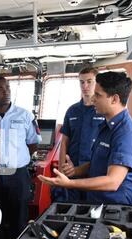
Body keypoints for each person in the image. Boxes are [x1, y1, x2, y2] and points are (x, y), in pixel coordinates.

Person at [39, 71, 132, 206]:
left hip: (116, 205)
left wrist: (69, 183)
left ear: (114, 99)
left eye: (98, 95)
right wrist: (75, 171)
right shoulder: (106, 126)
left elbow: (113, 181)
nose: (93, 99)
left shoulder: (126, 133)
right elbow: (97, 163)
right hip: (97, 201)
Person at [0, 76, 41, 239]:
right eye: (1, 88)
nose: (6, 91)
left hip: (17, 176)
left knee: (19, 220)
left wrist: (17, 157)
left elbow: (33, 143)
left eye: (8, 87)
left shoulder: (24, 115)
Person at [57, 67, 105, 202]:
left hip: (94, 172)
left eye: (89, 81)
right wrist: (61, 170)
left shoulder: (103, 110)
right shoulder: (72, 111)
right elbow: (64, 142)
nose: (85, 86)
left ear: (97, 83)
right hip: (72, 170)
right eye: (82, 82)